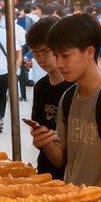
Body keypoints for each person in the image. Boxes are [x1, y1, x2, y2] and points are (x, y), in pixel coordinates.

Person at [29, 14, 101, 202]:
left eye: (65, 55)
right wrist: (44, 140)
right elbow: (62, 159)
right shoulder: (69, 98)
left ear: (89, 52)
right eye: (56, 55)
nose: (60, 63)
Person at [26, 17, 72, 181]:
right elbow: (36, 125)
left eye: (44, 51)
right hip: (45, 170)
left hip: (69, 175)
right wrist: (40, 136)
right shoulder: (40, 87)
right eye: (35, 53)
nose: (39, 58)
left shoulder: (75, 88)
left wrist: (46, 138)